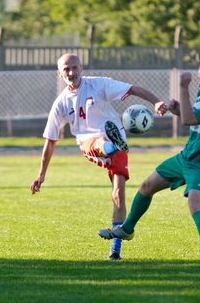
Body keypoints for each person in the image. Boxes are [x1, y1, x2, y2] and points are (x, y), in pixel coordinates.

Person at [98, 59, 200, 272]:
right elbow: (189, 114)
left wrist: (183, 88)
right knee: (146, 187)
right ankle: (126, 229)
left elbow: (189, 120)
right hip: (185, 157)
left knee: (196, 206)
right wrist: (177, 109)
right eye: (199, 80)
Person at [30, 53, 170, 260]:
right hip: (90, 143)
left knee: (118, 194)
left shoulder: (99, 84)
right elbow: (50, 141)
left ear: (81, 67)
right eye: (66, 69)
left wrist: (157, 102)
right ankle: (111, 146)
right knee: (98, 144)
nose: (71, 72)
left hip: (117, 141)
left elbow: (132, 89)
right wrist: (41, 174)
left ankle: (115, 250)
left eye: (74, 67)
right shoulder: (60, 103)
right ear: (59, 74)